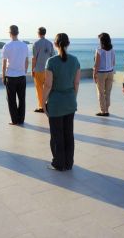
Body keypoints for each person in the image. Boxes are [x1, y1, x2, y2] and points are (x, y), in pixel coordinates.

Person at [43, 33, 80, 171]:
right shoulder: (75, 60)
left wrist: (43, 102)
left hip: (56, 103)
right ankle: (68, 163)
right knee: (68, 134)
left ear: (55, 44)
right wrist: (72, 97)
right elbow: (76, 83)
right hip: (70, 101)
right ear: (68, 43)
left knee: (57, 135)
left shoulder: (51, 62)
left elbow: (48, 85)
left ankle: (58, 163)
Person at [2, 25, 29, 125]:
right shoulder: (24, 45)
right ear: (18, 32)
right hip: (22, 76)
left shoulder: (7, 46)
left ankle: (14, 120)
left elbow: (4, 64)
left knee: (11, 99)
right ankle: (21, 119)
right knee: (22, 99)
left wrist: (4, 76)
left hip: (10, 76)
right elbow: (27, 61)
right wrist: (24, 71)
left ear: (10, 33)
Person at [32, 27, 54, 113]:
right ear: (45, 33)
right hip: (48, 70)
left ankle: (41, 106)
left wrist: (32, 69)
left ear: (38, 33)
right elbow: (52, 56)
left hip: (38, 69)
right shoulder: (50, 43)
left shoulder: (36, 44)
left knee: (39, 88)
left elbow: (34, 58)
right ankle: (49, 104)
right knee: (49, 87)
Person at [93, 33, 115, 116]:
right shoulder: (112, 50)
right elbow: (113, 62)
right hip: (110, 72)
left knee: (101, 92)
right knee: (108, 92)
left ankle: (103, 111)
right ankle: (107, 110)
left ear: (101, 41)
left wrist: (94, 74)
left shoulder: (99, 50)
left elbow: (96, 64)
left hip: (101, 74)